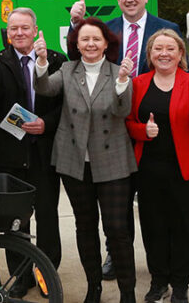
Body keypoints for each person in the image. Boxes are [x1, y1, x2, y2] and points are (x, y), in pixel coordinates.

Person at [69, 0, 184, 279]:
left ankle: (163, 259)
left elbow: (181, 74)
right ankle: (116, 256)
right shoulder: (110, 31)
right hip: (113, 129)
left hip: (153, 130)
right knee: (116, 206)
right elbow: (79, 55)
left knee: (155, 203)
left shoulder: (167, 29)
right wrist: (75, 24)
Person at [34, 17, 137, 303]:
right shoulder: (67, 70)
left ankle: (127, 291)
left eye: (96, 39)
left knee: (117, 228)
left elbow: (123, 109)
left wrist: (123, 83)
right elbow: (44, 88)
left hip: (113, 162)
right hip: (75, 162)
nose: (90, 44)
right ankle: (94, 287)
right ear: (76, 44)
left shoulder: (119, 72)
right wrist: (41, 61)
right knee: (85, 225)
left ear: (106, 43)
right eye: (84, 39)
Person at [0, 7, 66, 296]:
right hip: (11, 154)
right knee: (14, 219)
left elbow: (64, 107)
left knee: (47, 215)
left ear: (35, 29)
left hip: (44, 152)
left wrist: (46, 124)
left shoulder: (55, 60)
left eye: (24, 28)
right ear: (8, 30)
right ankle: (20, 275)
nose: (18, 33)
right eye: (13, 28)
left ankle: (46, 273)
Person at [125, 29, 189, 303]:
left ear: (180, 54)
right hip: (149, 169)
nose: (164, 53)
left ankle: (181, 283)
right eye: (158, 49)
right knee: (153, 227)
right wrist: (142, 130)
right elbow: (126, 123)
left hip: (185, 169)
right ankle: (159, 280)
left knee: (183, 227)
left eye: (170, 49)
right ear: (149, 55)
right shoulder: (138, 83)